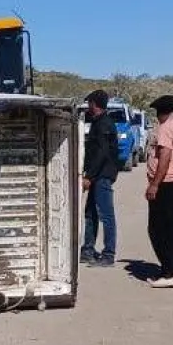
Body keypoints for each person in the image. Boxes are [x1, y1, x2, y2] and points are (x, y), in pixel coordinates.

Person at [144, 94, 173, 288]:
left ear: (162, 112)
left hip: (165, 186)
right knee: (171, 230)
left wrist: (155, 184)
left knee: (157, 230)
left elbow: (165, 157)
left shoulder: (165, 129)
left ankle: (169, 271)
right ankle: (171, 270)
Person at [79, 89, 120, 267]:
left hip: (102, 175)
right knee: (90, 214)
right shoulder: (98, 122)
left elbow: (102, 153)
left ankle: (108, 254)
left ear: (94, 104)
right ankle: (88, 249)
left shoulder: (104, 124)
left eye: (89, 103)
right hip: (98, 174)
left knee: (106, 215)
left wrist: (90, 176)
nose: (88, 106)